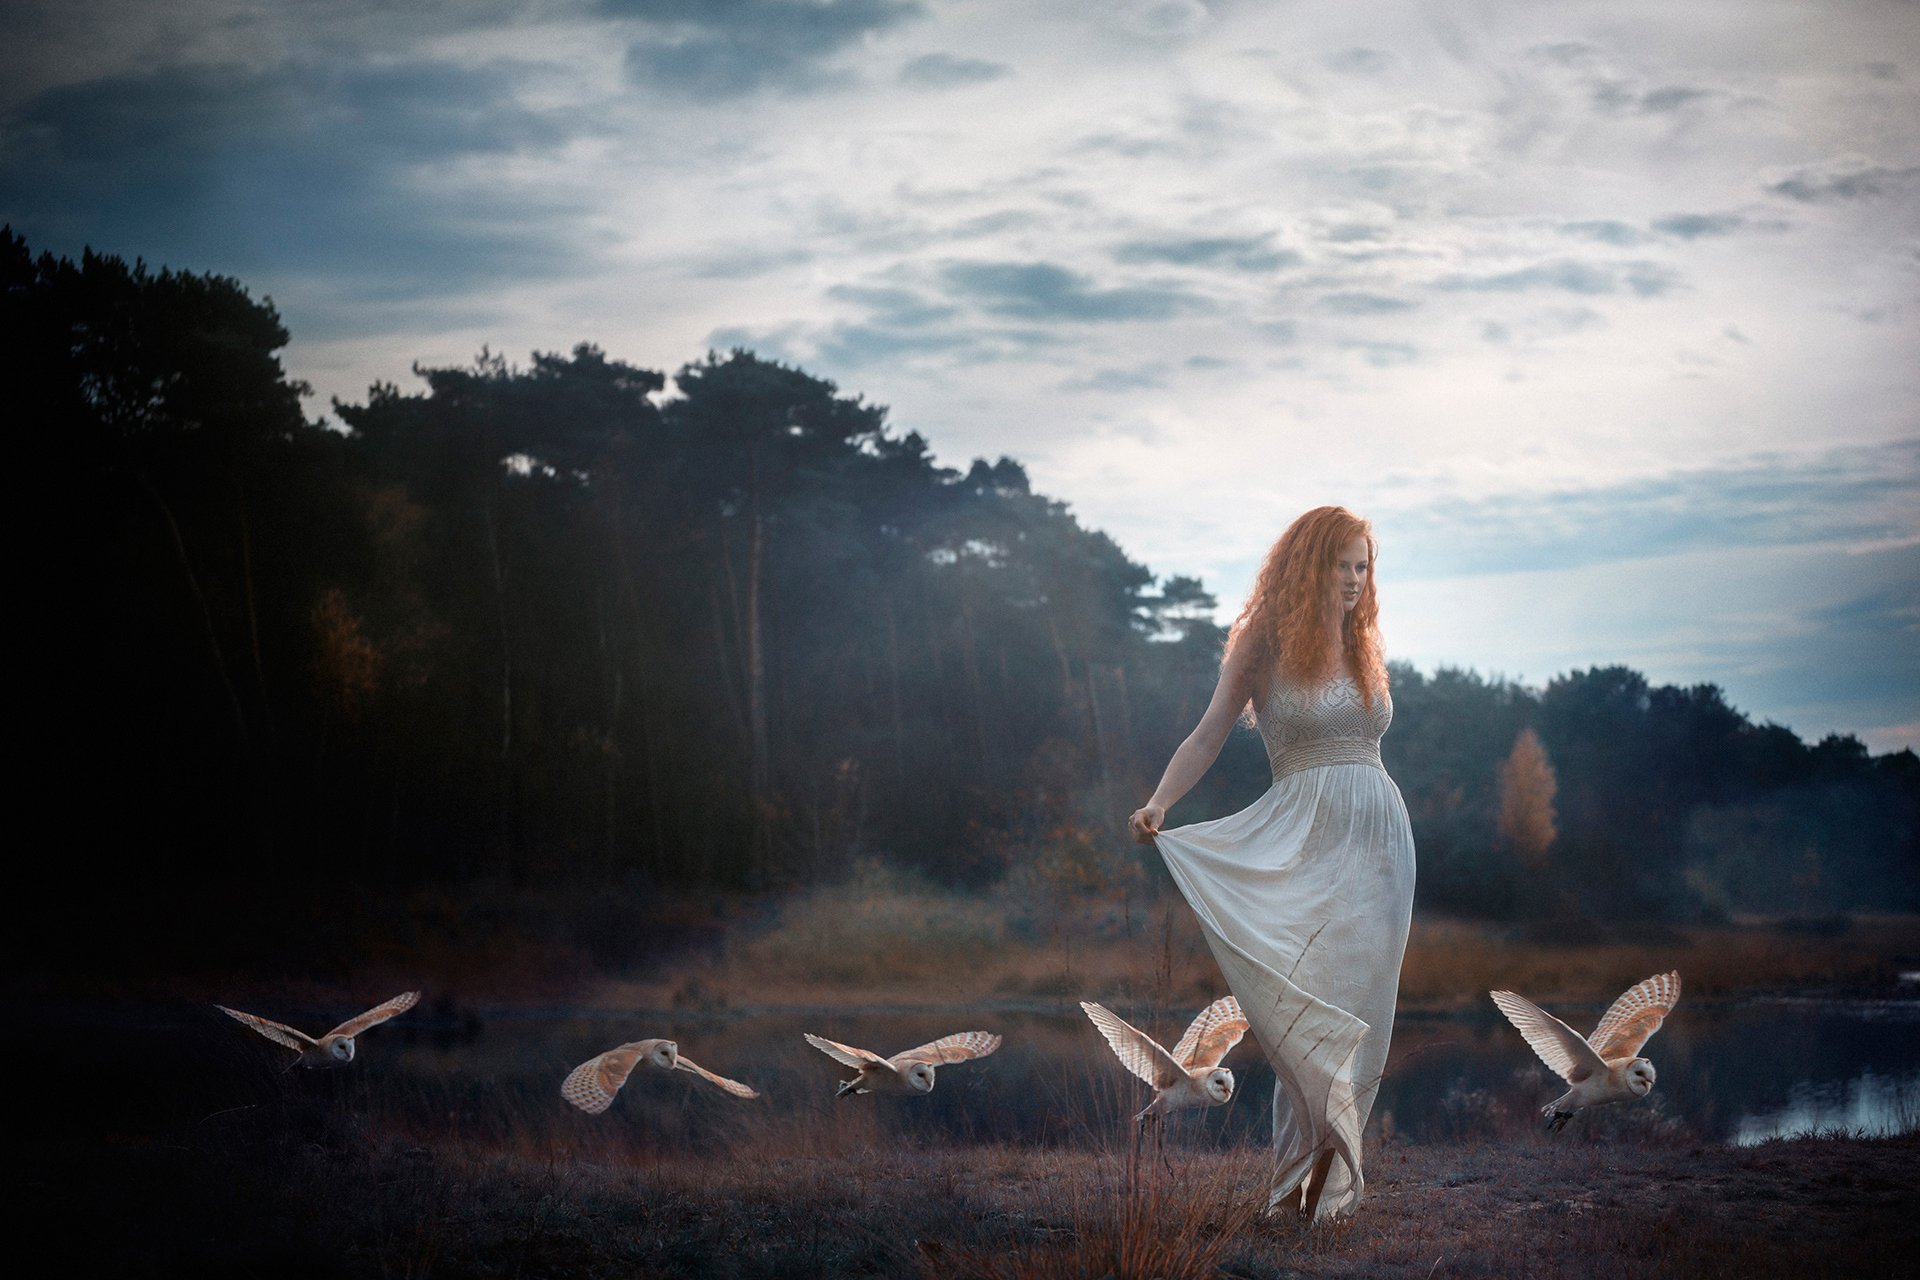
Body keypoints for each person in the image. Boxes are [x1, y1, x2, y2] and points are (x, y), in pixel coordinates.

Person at [1128, 505, 1415, 1221]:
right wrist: (1161, 803)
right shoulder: (1261, 644)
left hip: (1380, 844)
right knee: (1303, 1010)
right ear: (1306, 564)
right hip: (1303, 840)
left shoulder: (1362, 640)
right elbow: (1205, 736)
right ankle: (1296, 1181)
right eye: (1341, 564)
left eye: (1363, 566)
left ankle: (1325, 1189)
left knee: (1363, 1013)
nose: (1353, 580)